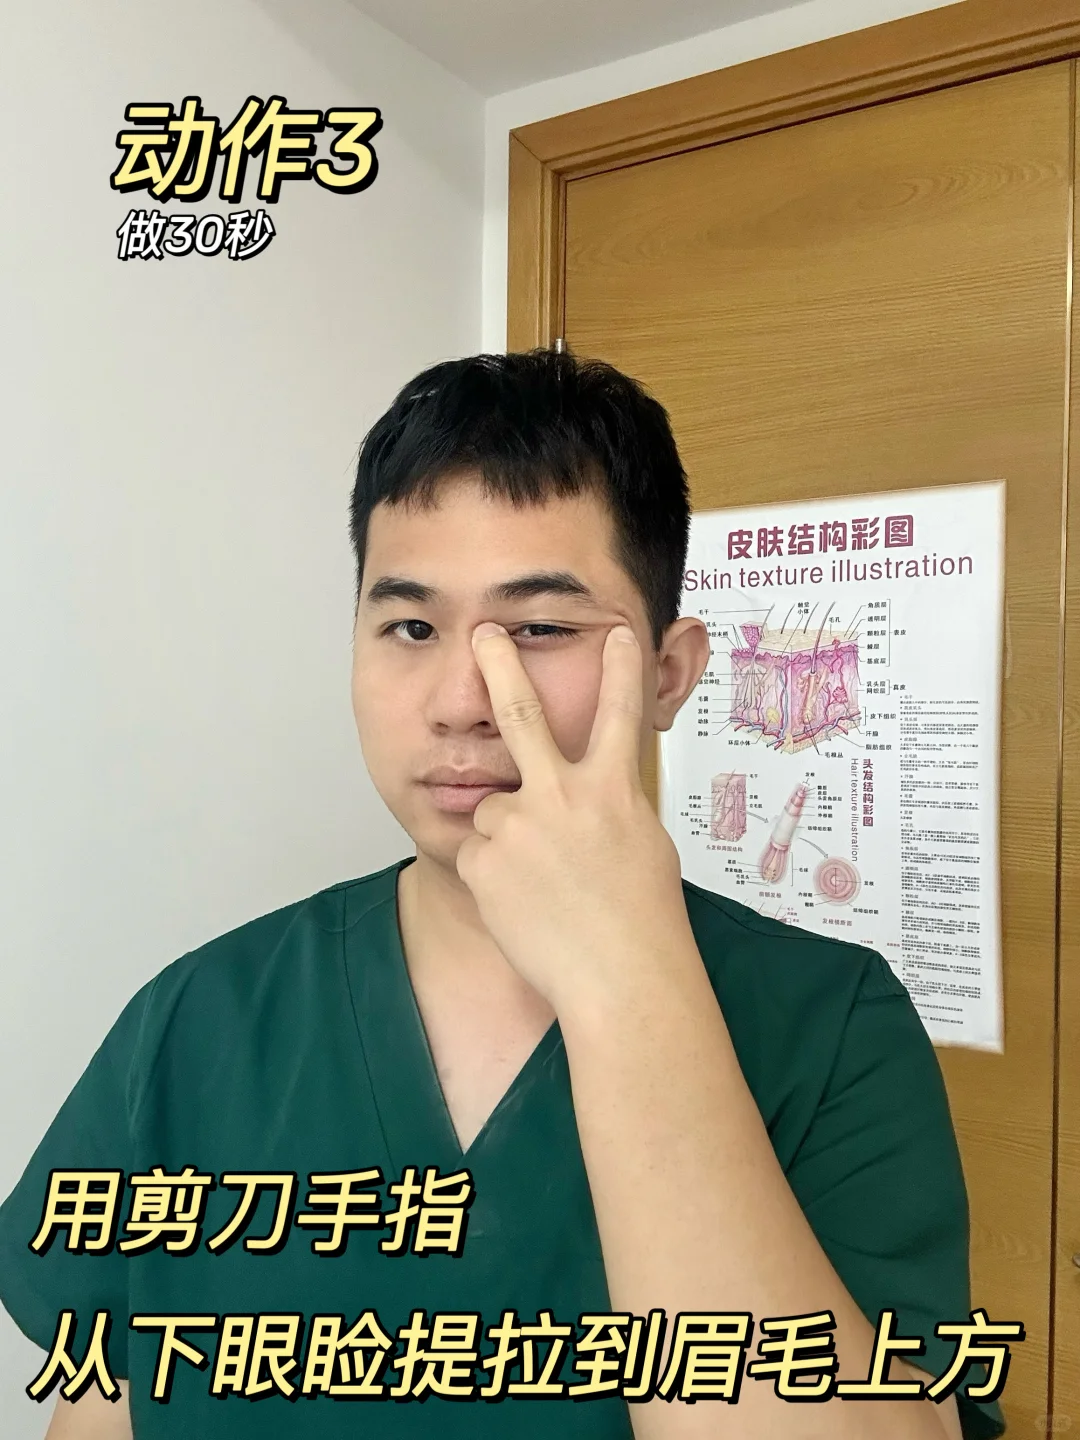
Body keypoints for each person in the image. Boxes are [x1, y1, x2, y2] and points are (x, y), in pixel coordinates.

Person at [0, 349, 1003, 1439]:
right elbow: (104, 1401)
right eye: (410, 627)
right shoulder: (199, 1018)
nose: (463, 700)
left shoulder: (830, 1026)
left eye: (539, 629)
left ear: (668, 674)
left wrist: (624, 983)